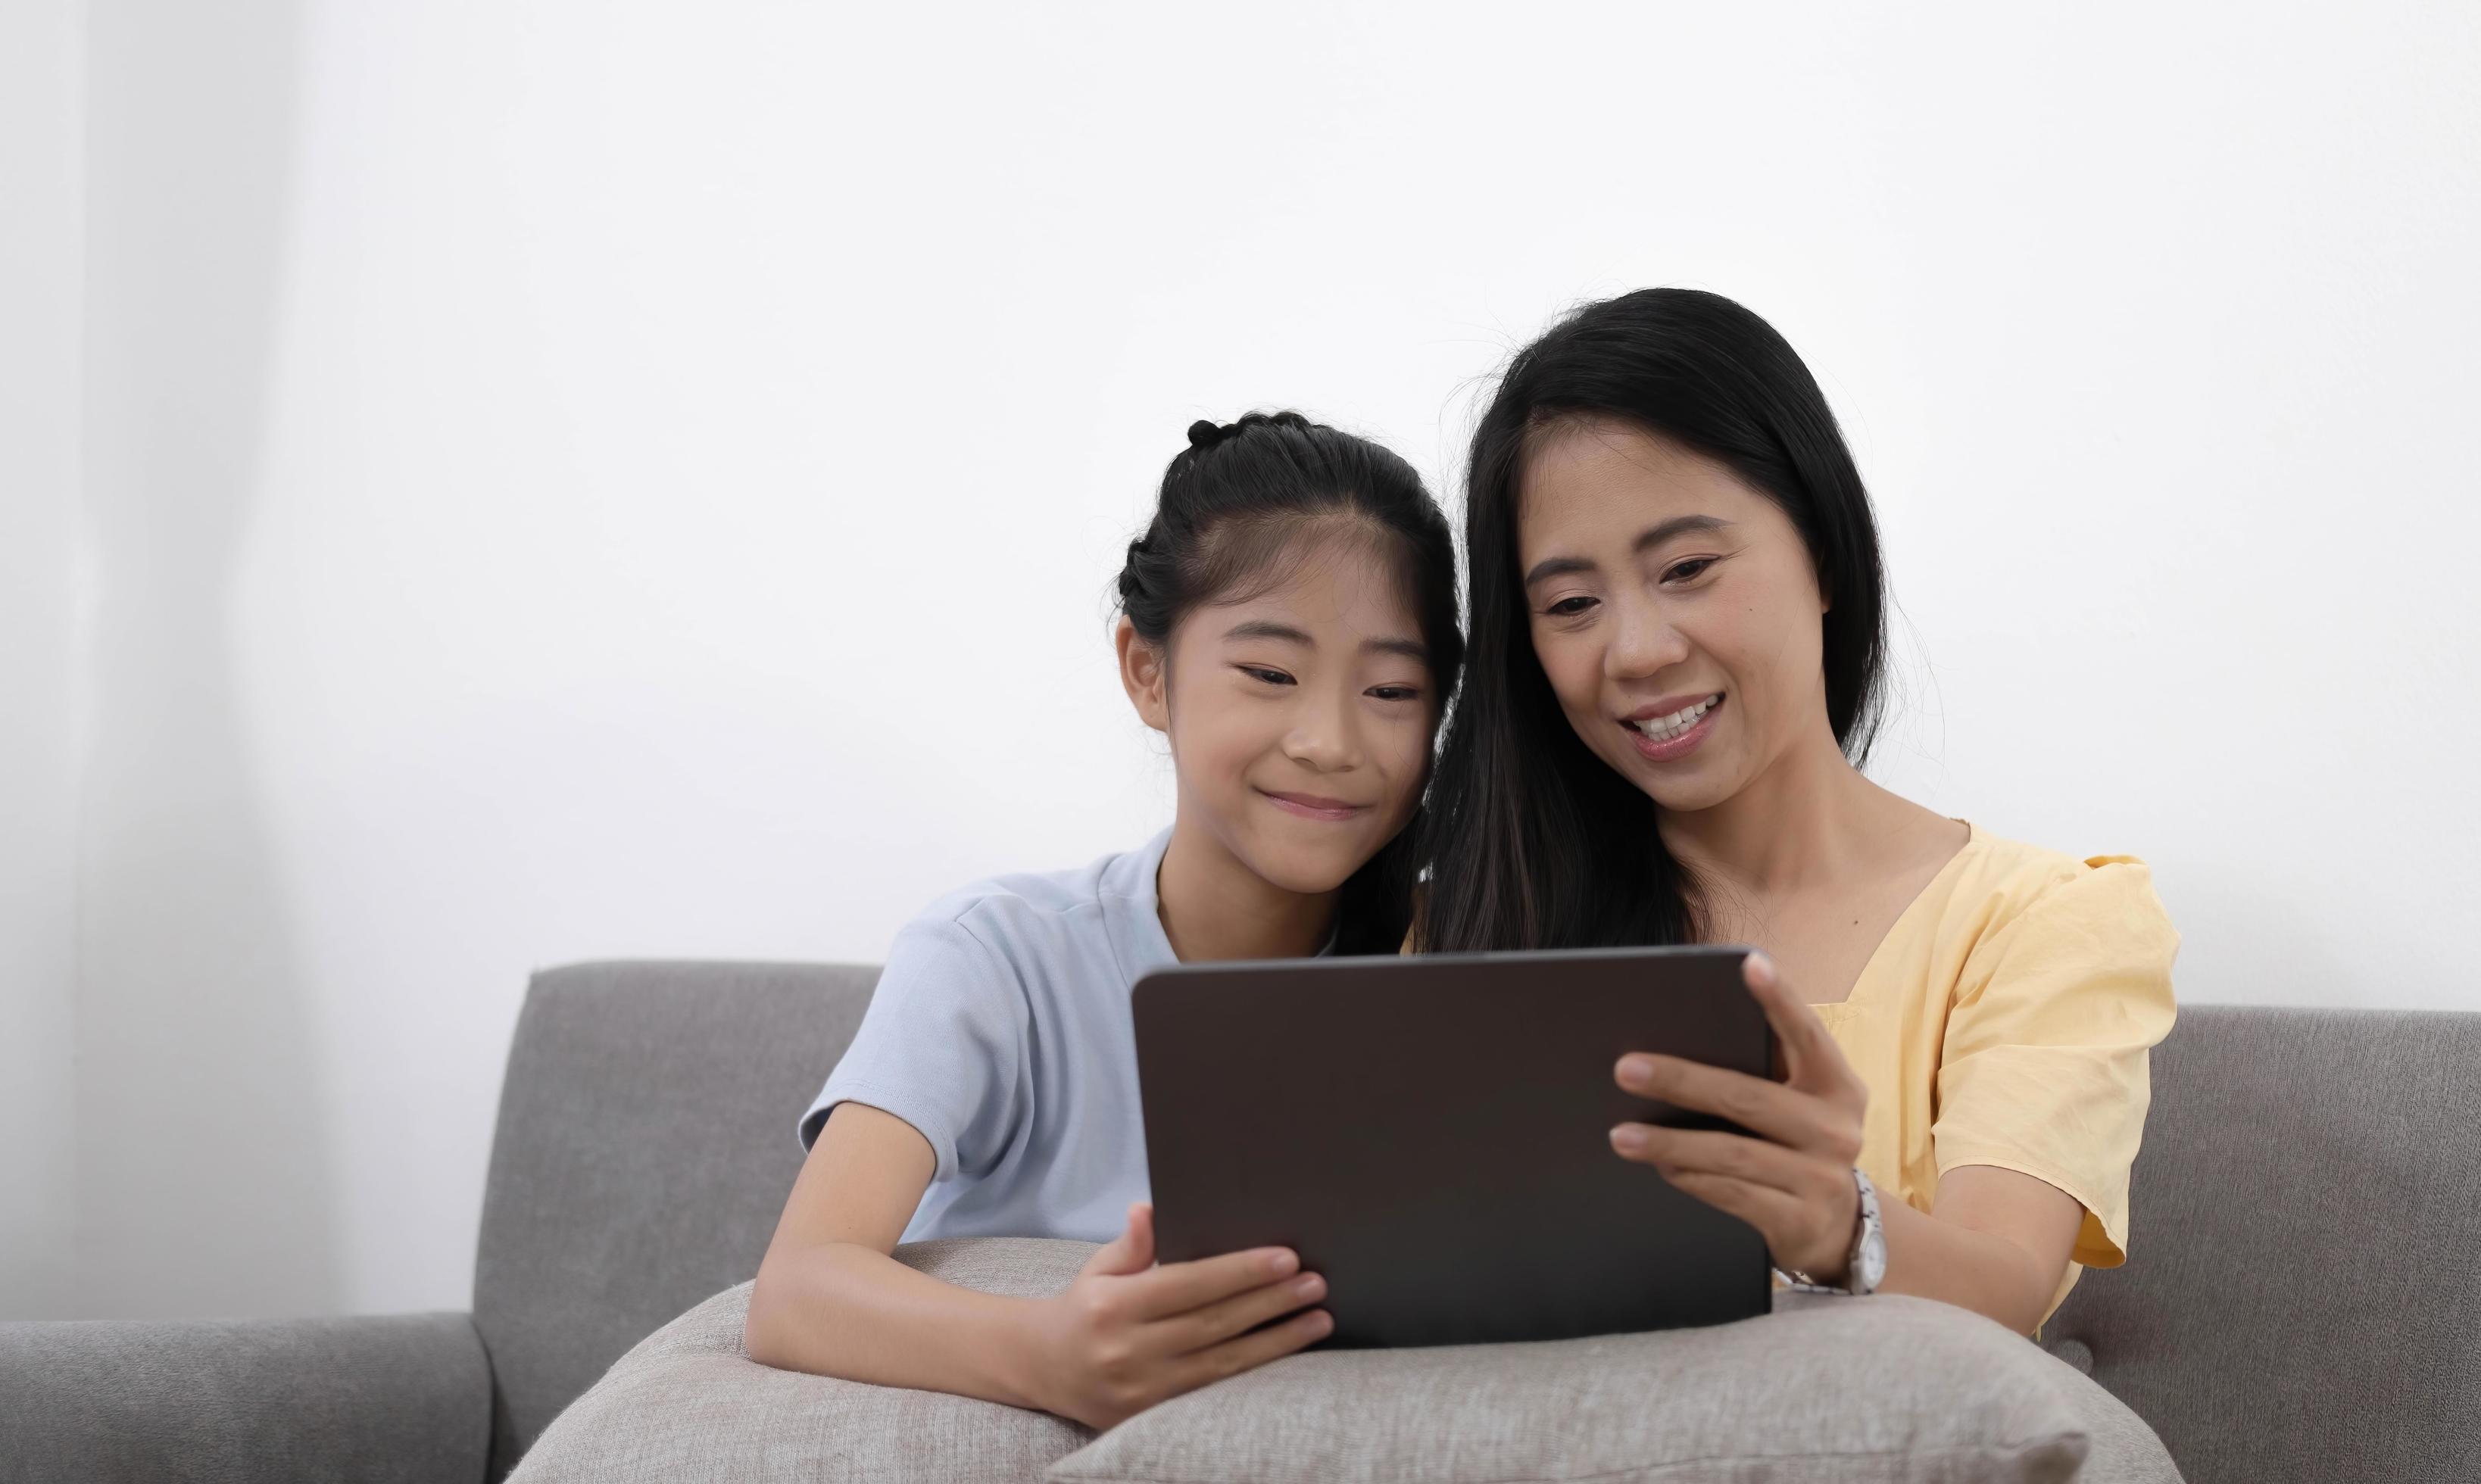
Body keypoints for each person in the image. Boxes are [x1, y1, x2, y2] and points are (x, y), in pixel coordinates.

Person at [1417, 288, 2179, 1335]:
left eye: (1687, 569)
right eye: (1571, 606)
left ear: (1821, 551)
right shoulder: (1474, 925)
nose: (1636, 651)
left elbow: (2002, 1292)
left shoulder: (2042, 922)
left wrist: (1837, 1222)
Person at [744, 411, 1464, 1426]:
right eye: (1270, 674)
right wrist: (1051, 1355)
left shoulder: (1451, 972)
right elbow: (796, 1290)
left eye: (1392, 689)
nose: (1329, 740)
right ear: (1147, 670)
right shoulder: (996, 956)